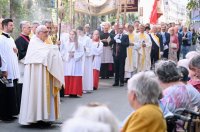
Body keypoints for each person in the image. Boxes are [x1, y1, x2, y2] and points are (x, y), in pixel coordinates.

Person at [18, 25, 64, 125]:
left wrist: (54, 48)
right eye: (45, 32)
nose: (47, 34)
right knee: (38, 94)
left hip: (44, 74)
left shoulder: (42, 43)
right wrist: (54, 49)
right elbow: (43, 55)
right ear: (38, 33)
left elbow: (47, 51)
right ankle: (38, 118)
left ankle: (46, 117)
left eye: (48, 32)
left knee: (44, 94)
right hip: (37, 76)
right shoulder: (34, 43)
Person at [0, 19, 20, 121]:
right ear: (4, 26)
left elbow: (13, 53)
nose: (13, 27)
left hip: (13, 70)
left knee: (12, 92)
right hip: (6, 71)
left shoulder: (11, 39)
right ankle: (5, 115)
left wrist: (16, 52)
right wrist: (4, 70)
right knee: (5, 92)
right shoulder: (1, 39)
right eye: (11, 25)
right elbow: (2, 55)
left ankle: (11, 113)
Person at [62, 30, 84, 97]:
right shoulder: (66, 43)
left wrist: (74, 55)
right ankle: (68, 91)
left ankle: (74, 92)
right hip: (68, 62)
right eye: (70, 34)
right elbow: (62, 52)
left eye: (73, 34)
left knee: (75, 75)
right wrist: (68, 55)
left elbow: (82, 52)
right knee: (68, 75)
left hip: (75, 62)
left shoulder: (79, 43)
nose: (72, 36)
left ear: (76, 35)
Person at [15, 21, 31, 108]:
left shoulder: (28, 38)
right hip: (22, 67)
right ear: (23, 28)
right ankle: (22, 106)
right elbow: (20, 55)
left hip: (28, 66)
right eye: (28, 27)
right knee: (22, 86)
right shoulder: (19, 40)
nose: (30, 29)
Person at [77, 26, 92, 93]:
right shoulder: (77, 38)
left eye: (79, 31)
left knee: (85, 72)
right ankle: (79, 87)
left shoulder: (88, 39)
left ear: (83, 31)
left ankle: (85, 87)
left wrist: (85, 48)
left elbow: (90, 49)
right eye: (78, 32)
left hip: (86, 58)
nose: (79, 33)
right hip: (79, 58)